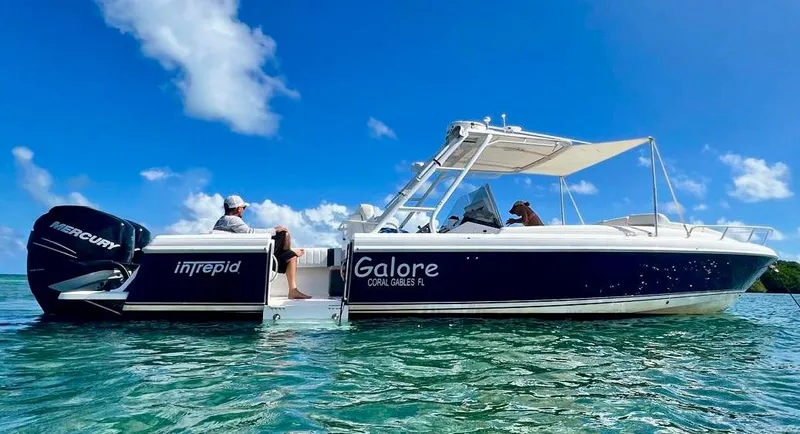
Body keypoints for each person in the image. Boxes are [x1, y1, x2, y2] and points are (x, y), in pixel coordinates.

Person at [213, 195, 310, 299]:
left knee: (290, 255)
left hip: (243, 255)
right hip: (253, 257)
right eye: (243, 208)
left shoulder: (221, 221)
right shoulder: (232, 219)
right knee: (283, 233)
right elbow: (250, 233)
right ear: (238, 208)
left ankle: (289, 256)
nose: (243, 210)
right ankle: (292, 286)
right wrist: (274, 230)